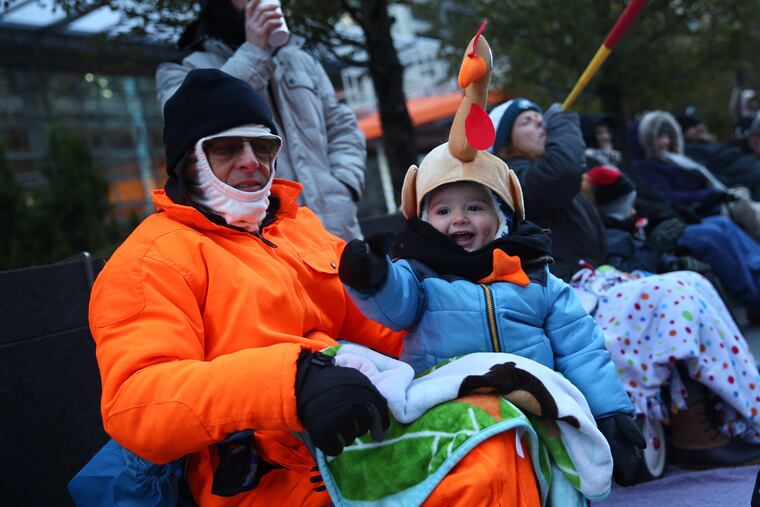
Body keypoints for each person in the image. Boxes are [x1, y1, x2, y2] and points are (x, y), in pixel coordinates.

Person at [88, 68, 543, 506]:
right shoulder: (153, 257)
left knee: (505, 427)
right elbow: (136, 402)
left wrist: (486, 308)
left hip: (361, 422)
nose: (250, 161)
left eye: (263, 146)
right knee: (483, 464)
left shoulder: (299, 227)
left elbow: (384, 331)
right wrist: (291, 383)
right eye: (226, 148)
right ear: (188, 160)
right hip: (267, 474)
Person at [338, 61, 645, 484]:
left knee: (548, 481)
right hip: (451, 409)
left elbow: (582, 349)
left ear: (502, 220)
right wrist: (371, 277)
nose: (458, 219)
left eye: (475, 207)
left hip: (535, 409)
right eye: (443, 210)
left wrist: (610, 411)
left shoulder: (537, 279)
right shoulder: (420, 275)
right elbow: (396, 305)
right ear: (425, 220)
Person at [490, 97, 760, 469]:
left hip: (593, 284)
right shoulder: (512, 178)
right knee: (672, 294)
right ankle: (696, 431)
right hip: (562, 301)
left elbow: (595, 236)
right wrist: (565, 122)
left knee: (689, 284)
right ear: (504, 142)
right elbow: (563, 170)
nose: (542, 126)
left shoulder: (543, 174)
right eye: (529, 122)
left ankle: (714, 417)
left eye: (543, 120)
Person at [156, 0, 366, 241]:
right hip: (259, 239)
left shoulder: (301, 60)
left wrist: (344, 188)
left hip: (337, 233)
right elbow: (189, 127)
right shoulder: (181, 68)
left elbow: (343, 128)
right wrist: (254, 52)